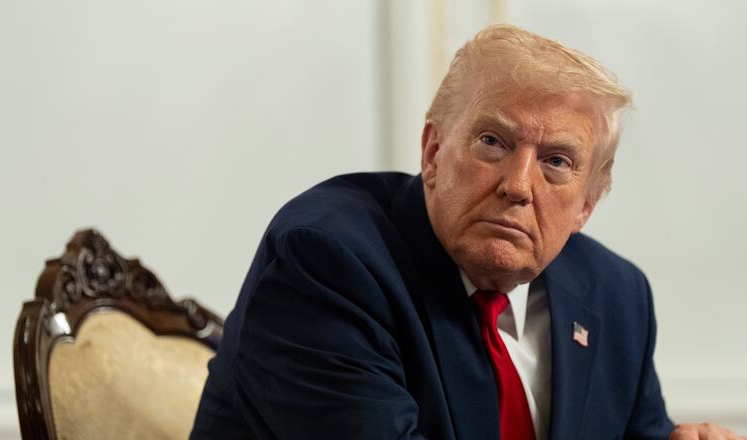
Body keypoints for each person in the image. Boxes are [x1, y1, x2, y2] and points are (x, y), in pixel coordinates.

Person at [191, 24, 743, 440]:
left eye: (556, 161)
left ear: (587, 206)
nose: (519, 185)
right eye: (493, 143)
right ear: (433, 151)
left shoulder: (615, 295)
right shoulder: (326, 263)